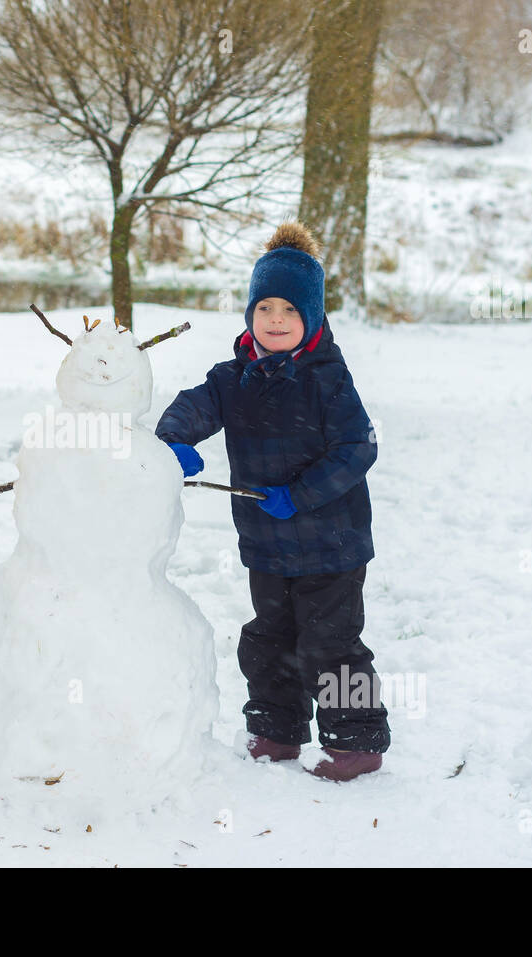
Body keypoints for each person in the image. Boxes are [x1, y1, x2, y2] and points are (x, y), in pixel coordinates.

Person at [155, 222, 390, 782]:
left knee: (331, 643)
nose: (276, 319)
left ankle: (356, 743)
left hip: (332, 544)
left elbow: (359, 447)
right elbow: (192, 407)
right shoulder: (233, 378)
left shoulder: (328, 379)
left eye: (289, 309)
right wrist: (174, 442)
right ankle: (276, 731)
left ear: (311, 317)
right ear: (249, 315)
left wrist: (302, 494)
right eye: (265, 308)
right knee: (269, 637)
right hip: (266, 543)